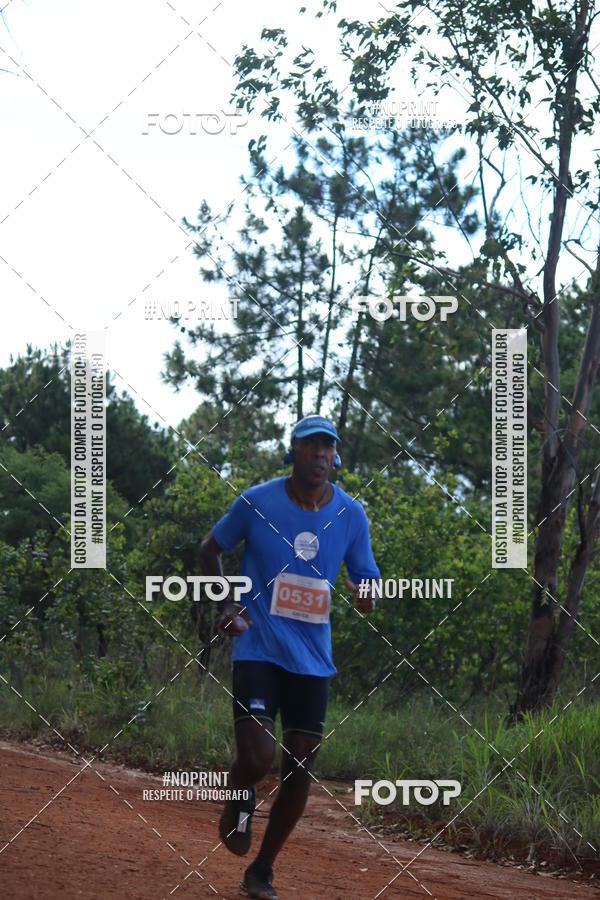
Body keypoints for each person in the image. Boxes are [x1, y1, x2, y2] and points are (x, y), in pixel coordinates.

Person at [197, 415, 380, 900]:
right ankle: (239, 805)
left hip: (313, 659)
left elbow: (367, 574)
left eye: (328, 447)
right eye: (311, 446)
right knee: (256, 757)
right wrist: (227, 603)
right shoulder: (257, 501)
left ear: (335, 456)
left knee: (301, 764)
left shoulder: (351, 515)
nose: (321, 455)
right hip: (258, 645)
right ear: (293, 451)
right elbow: (210, 549)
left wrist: (368, 592)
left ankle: (261, 870)